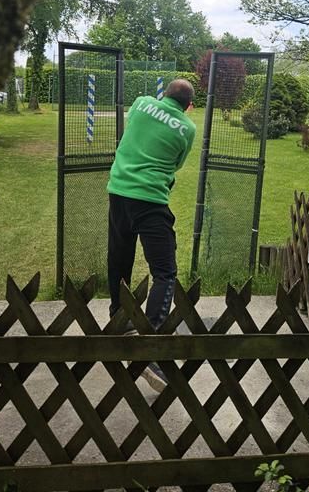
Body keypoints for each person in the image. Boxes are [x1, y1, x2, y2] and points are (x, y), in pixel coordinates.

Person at [107, 78, 196, 392]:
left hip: (119, 192)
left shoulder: (142, 103)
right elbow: (176, 164)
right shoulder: (187, 128)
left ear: (164, 94)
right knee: (165, 272)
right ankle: (149, 342)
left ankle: (119, 320)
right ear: (188, 106)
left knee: (119, 259)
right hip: (150, 201)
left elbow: (136, 126)